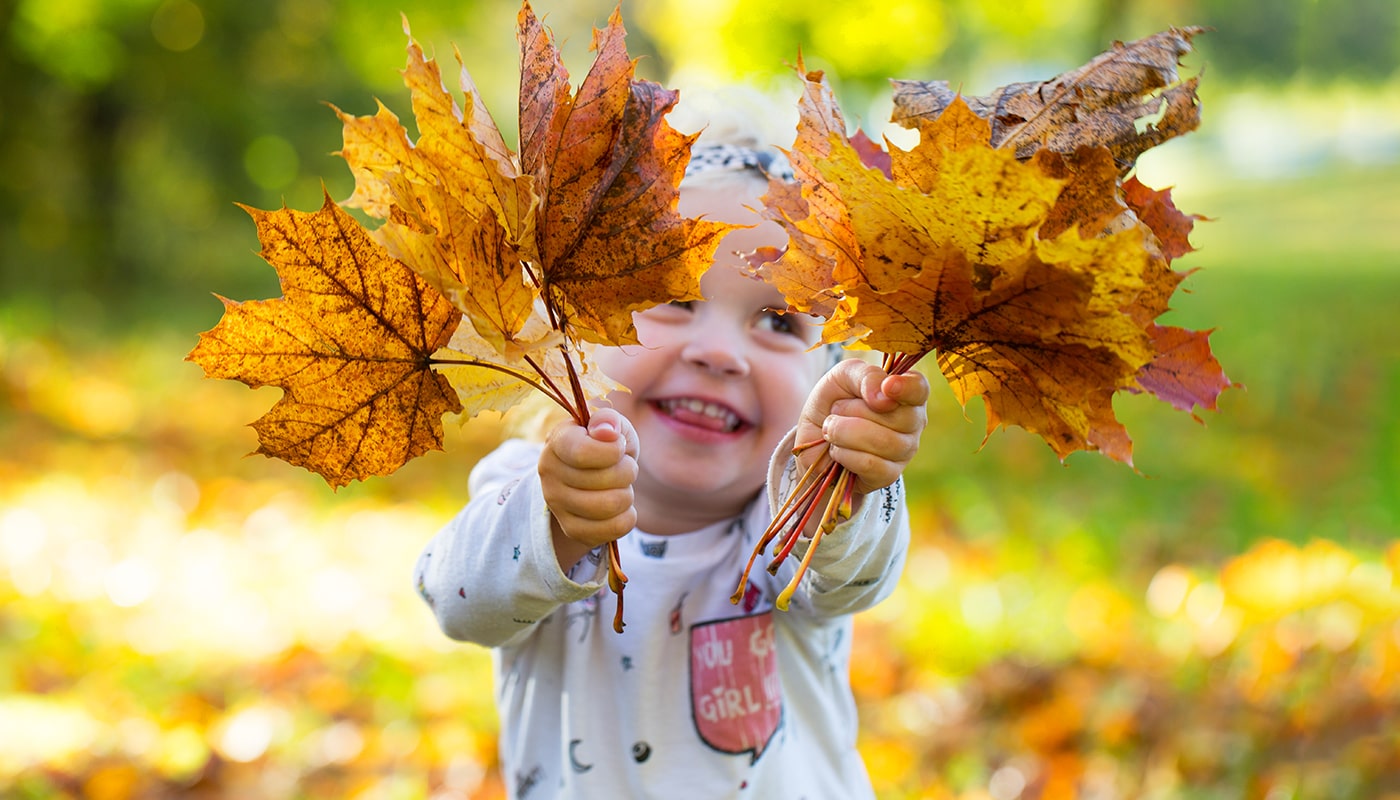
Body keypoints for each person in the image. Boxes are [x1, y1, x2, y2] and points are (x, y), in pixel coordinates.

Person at [414, 119, 930, 798]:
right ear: (580, 334)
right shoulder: (524, 490)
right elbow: (460, 603)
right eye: (675, 297)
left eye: (780, 321)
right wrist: (559, 523)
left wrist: (840, 480)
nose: (719, 351)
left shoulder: (788, 536)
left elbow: (856, 576)